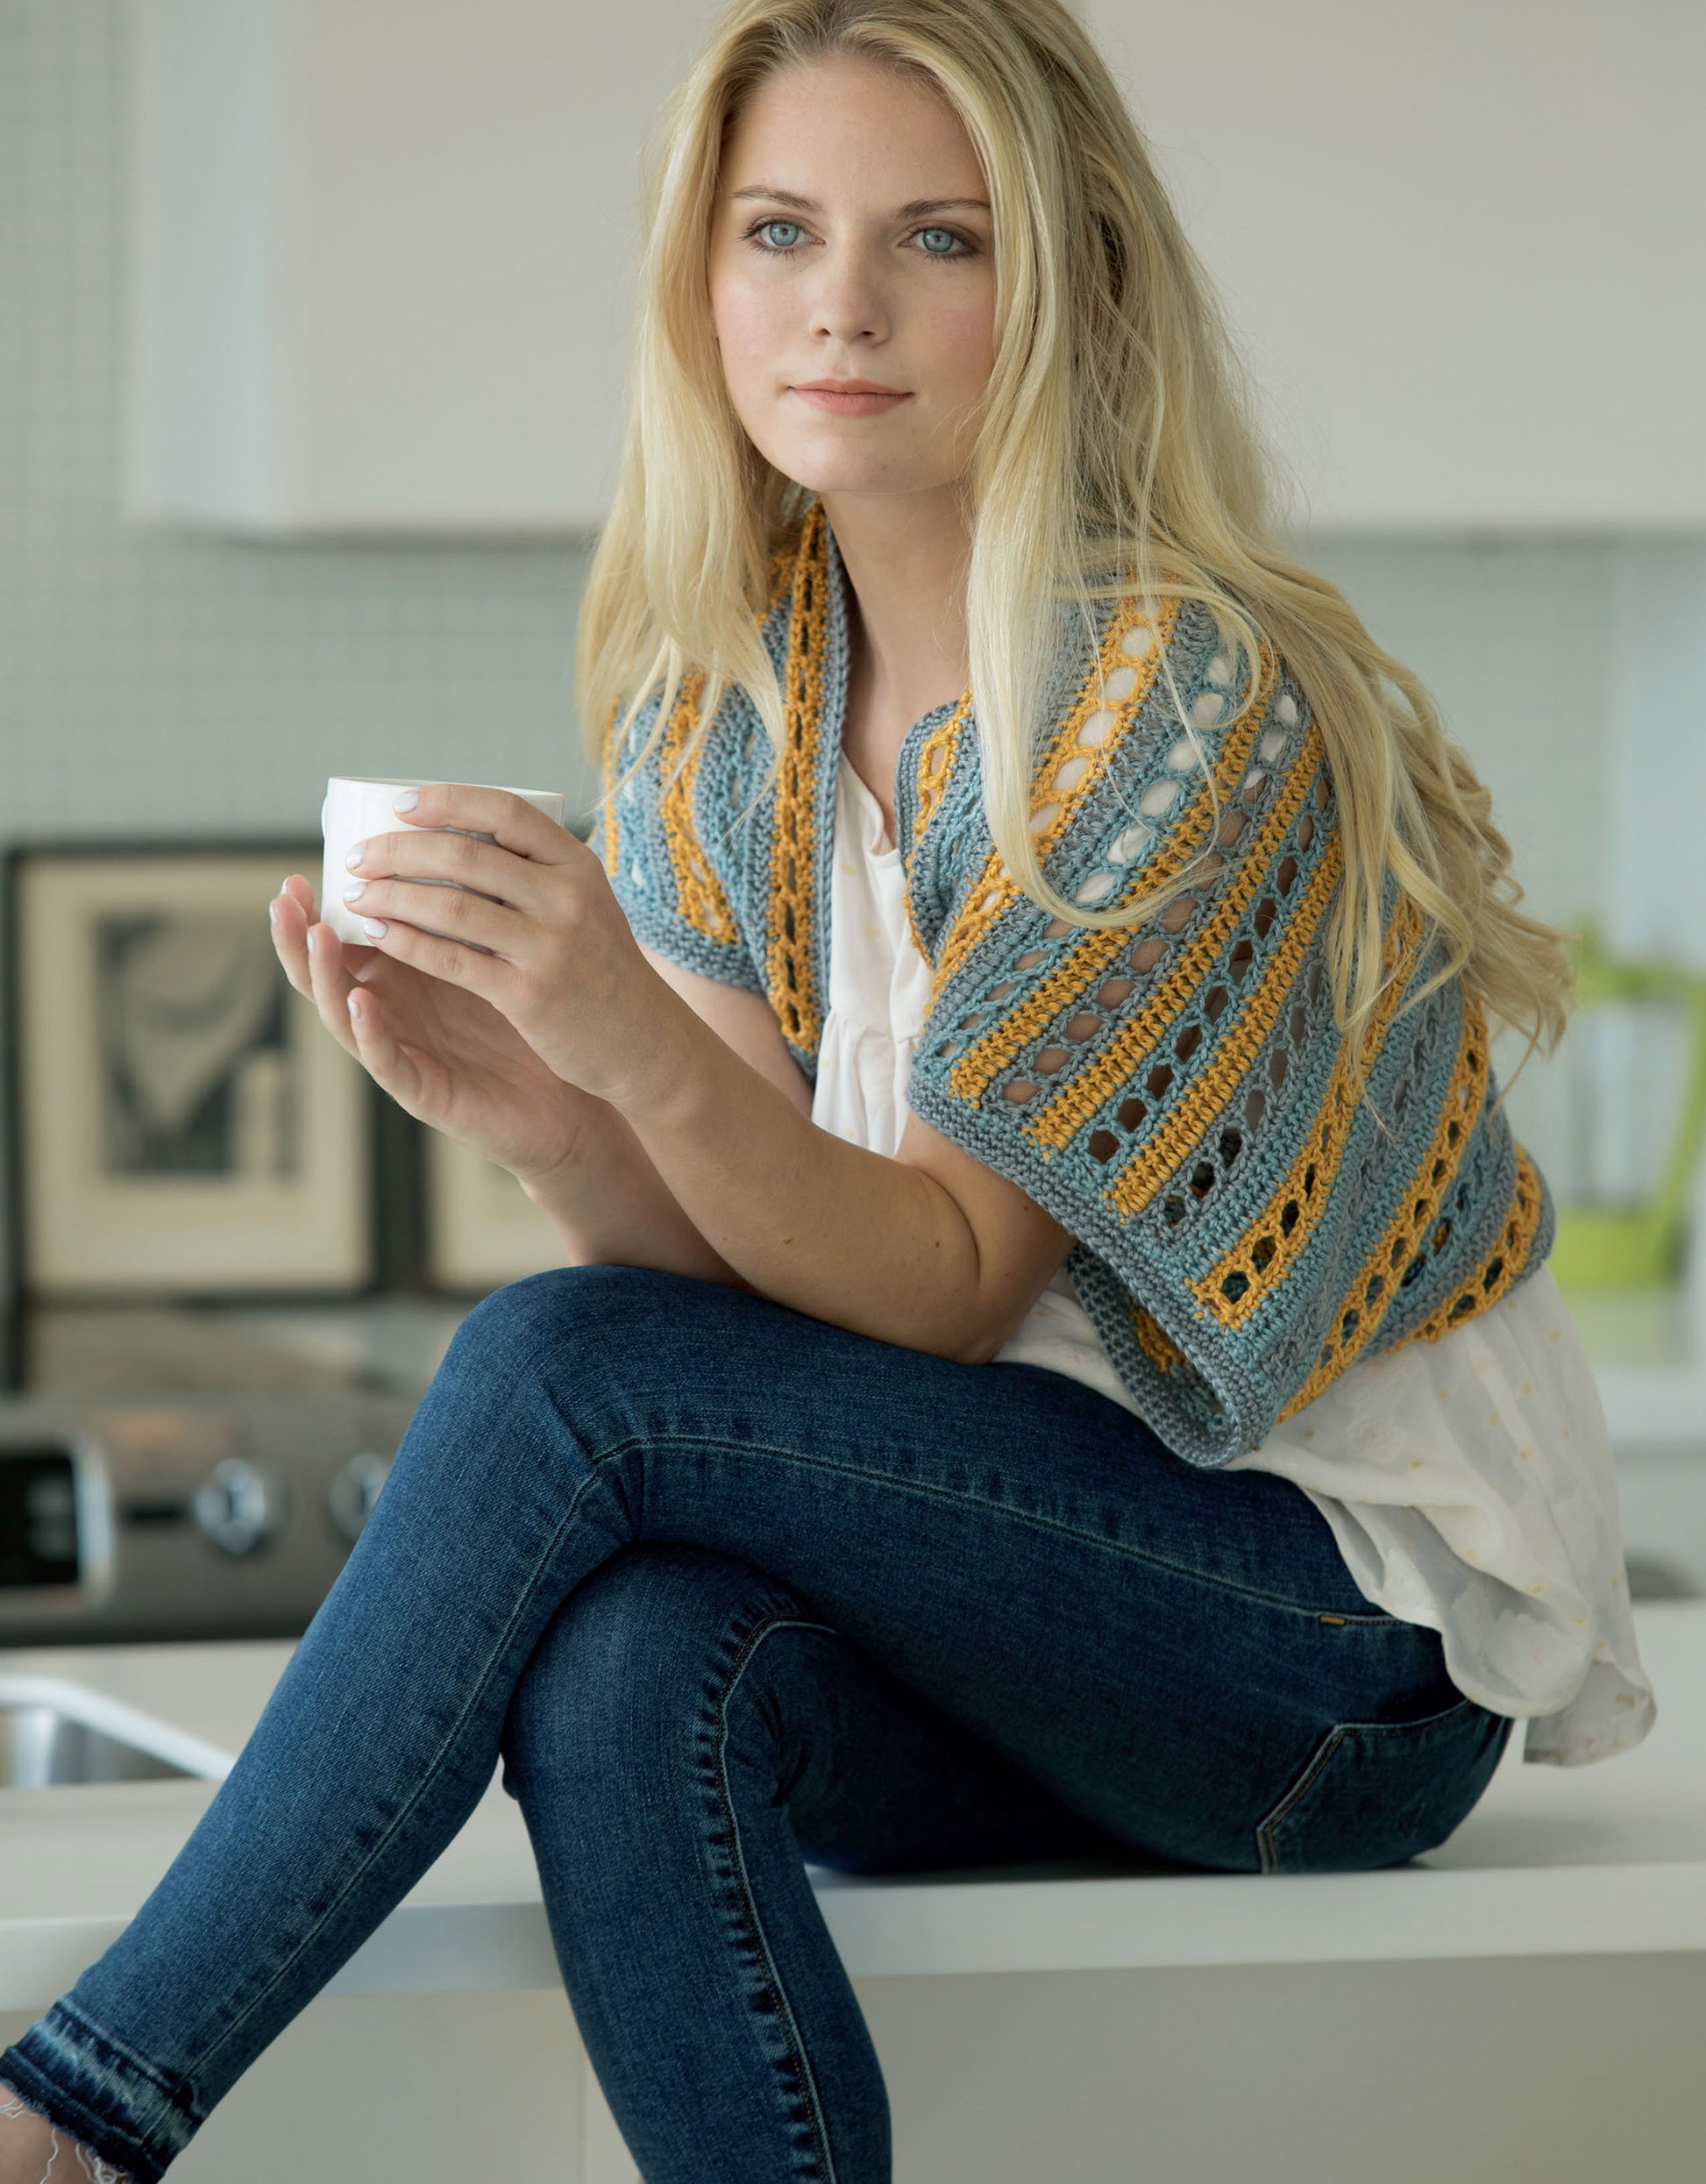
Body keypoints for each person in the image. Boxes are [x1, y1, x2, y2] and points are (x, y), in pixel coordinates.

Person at [0, 0, 1657, 2177]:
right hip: (1036, 1610)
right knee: (627, 1669)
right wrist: (543, 1111)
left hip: (1324, 1654)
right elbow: (748, 1289)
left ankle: (71, 2121)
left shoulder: (1168, 700)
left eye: (935, 240)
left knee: (556, 1367)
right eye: (779, 229)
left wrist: (612, 1039)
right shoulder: (731, 707)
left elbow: (950, 1283)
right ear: (704, 274)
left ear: (1066, 281)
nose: (840, 306)